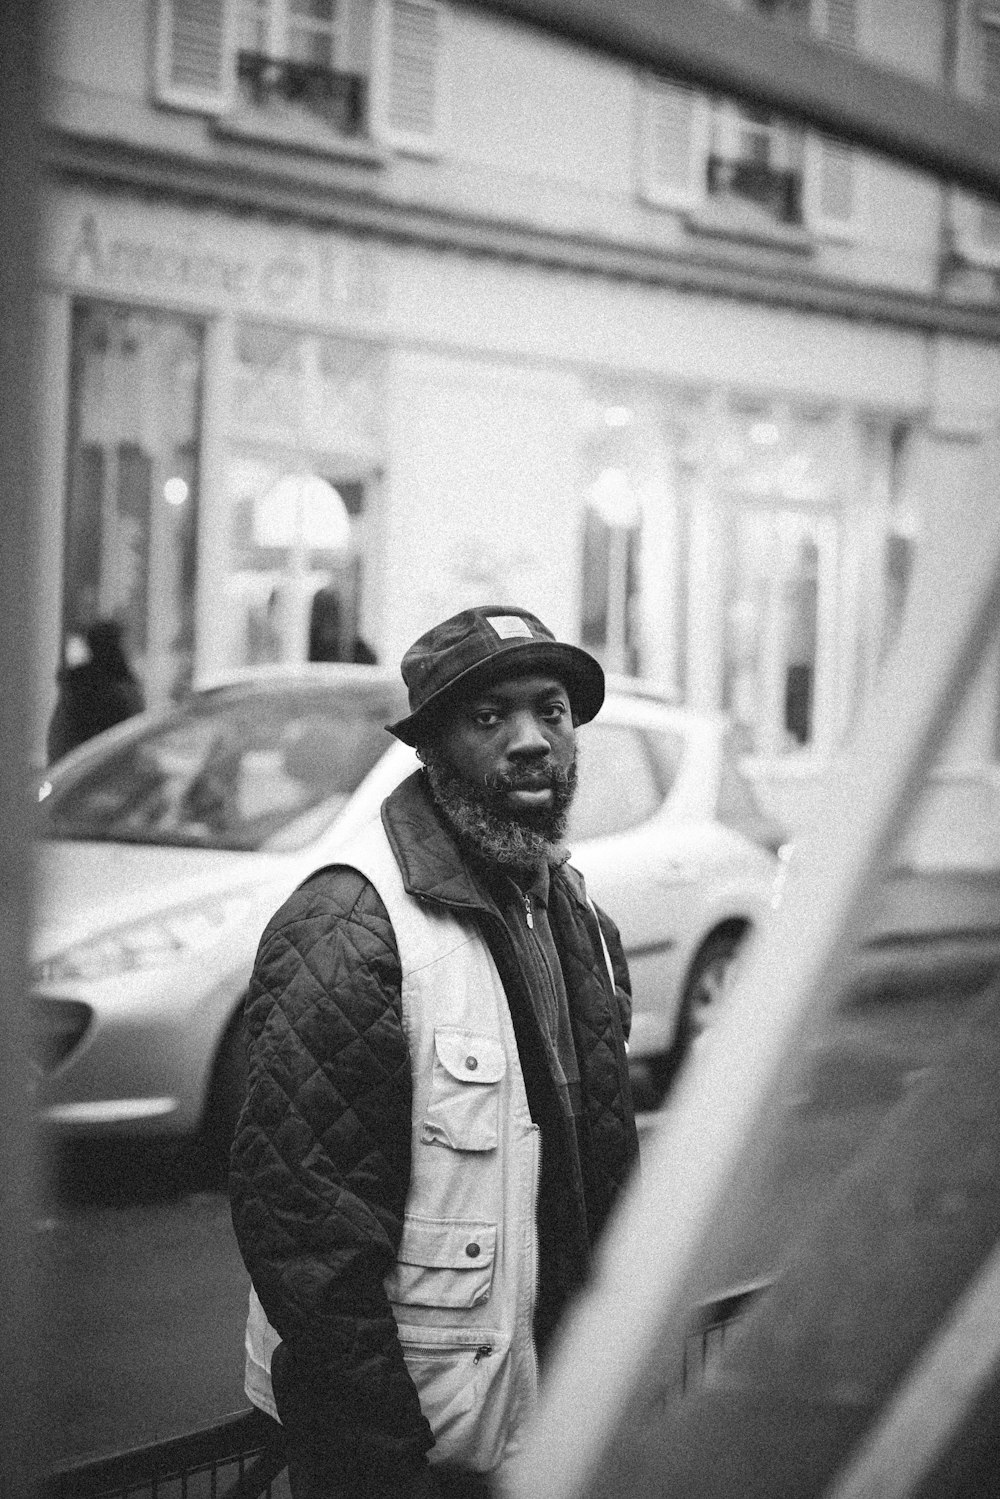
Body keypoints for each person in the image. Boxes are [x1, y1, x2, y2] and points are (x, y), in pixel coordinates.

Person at [230, 605, 639, 1499]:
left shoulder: (578, 918)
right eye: (489, 718)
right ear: (432, 749)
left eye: (553, 711)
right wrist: (381, 1460)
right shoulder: (351, 923)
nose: (532, 740)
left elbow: (592, 1184)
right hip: (415, 1451)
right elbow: (306, 1230)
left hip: (541, 1422)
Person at [46, 618, 145, 764]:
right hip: (110, 775)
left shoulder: (75, 685)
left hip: (74, 771)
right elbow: (134, 739)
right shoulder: (123, 691)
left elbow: (58, 739)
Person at [307, 584, 378, 665]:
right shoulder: (306, 646)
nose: (328, 620)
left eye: (333, 613)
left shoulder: (357, 649)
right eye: (324, 614)